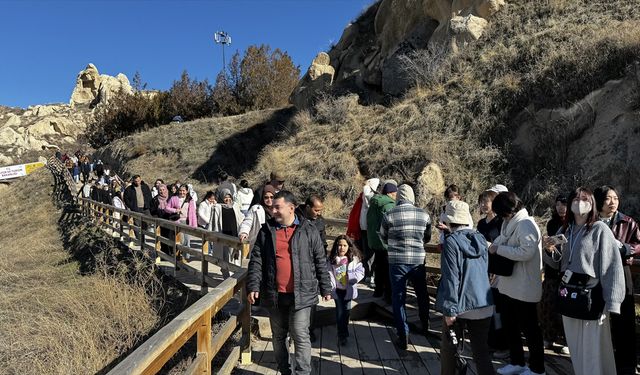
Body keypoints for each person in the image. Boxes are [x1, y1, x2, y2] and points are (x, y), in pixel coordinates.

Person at [247, 191, 332, 375]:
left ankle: (302, 373)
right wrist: (253, 285)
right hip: (275, 293)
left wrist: (325, 287)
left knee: (300, 335)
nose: (273, 210)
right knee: (278, 336)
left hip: (302, 293)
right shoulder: (266, 231)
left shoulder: (309, 230)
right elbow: (256, 260)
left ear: (291, 208)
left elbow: (320, 259)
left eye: (278, 207)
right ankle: (284, 370)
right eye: (272, 207)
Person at [542, 187, 625, 375]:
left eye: (585, 199)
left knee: (593, 348)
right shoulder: (566, 230)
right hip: (569, 294)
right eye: (576, 199)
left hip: (592, 296)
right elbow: (557, 265)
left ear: (592, 203)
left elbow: (612, 266)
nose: (580, 203)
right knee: (575, 346)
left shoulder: (600, 229)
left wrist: (613, 301)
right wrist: (548, 250)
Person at [436, 200, 495, 375]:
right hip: (484, 303)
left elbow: (451, 278)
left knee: (449, 350)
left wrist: (450, 310)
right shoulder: (480, 239)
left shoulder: (451, 243)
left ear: (448, 221)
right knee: (481, 352)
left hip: (460, 305)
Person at [489, 192, 545, 375]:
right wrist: (491, 245)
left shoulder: (526, 224)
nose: (500, 216)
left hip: (524, 286)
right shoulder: (509, 223)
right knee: (510, 326)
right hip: (509, 284)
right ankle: (517, 362)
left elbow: (525, 252)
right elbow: (501, 241)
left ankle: (537, 368)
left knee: (530, 330)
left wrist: (499, 249)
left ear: (507, 209)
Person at [593, 185, 639, 375]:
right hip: (596, 274)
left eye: (616, 198)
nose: (613, 202)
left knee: (624, 318)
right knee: (597, 317)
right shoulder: (591, 222)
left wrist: (626, 249)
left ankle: (626, 364)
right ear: (598, 201)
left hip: (621, 272)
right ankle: (600, 360)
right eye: (608, 199)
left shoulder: (627, 222)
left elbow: (638, 244)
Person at [379, 184, 431, 349]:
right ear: (412, 197)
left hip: (397, 262)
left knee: (398, 298)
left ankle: (403, 335)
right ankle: (425, 326)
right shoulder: (424, 215)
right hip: (417, 261)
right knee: (422, 294)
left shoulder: (389, 215)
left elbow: (383, 237)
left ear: (399, 197)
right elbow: (427, 237)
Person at [476, 190, 509, 358]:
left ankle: (501, 344)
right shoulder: (481, 223)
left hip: (497, 271)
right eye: (481, 201)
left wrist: (496, 270)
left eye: (486, 201)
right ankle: (489, 341)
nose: (483, 204)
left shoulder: (501, 223)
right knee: (487, 307)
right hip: (483, 268)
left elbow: (502, 248)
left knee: (498, 308)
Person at [539, 195, 568, 354]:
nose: (560, 207)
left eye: (563, 204)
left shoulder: (572, 223)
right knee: (547, 305)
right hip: (551, 271)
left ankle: (567, 340)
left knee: (565, 308)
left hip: (567, 273)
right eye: (557, 205)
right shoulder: (552, 223)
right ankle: (548, 337)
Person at [327, 235, 364, 346]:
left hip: (348, 290)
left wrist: (352, 277)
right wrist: (329, 289)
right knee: (340, 312)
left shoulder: (354, 260)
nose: (341, 248)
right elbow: (328, 274)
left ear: (349, 247)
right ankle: (341, 334)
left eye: (344, 245)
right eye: (339, 245)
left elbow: (361, 272)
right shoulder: (332, 260)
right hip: (337, 290)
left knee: (346, 312)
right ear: (336, 246)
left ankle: (344, 328)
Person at [367, 181, 397, 303]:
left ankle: (378, 290)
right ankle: (388, 295)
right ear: (390, 193)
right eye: (395, 193)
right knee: (387, 269)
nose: (396, 196)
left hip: (374, 240)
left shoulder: (374, 203)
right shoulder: (388, 205)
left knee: (378, 266)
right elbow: (391, 224)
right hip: (385, 241)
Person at [346, 178, 380, 283]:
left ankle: (371, 275)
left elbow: (368, 199)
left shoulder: (372, 198)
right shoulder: (361, 197)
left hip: (371, 231)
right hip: (362, 230)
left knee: (371, 254)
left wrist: (367, 187)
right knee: (363, 253)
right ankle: (365, 274)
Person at [165, 185, 198, 259]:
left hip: (186, 222)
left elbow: (193, 213)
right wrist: (174, 210)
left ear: (187, 191)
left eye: (184, 190)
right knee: (180, 240)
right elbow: (166, 208)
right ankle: (178, 256)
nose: (182, 192)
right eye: (180, 190)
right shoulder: (174, 198)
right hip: (177, 221)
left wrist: (194, 226)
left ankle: (186, 257)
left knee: (187, 240)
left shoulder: (190, 200)